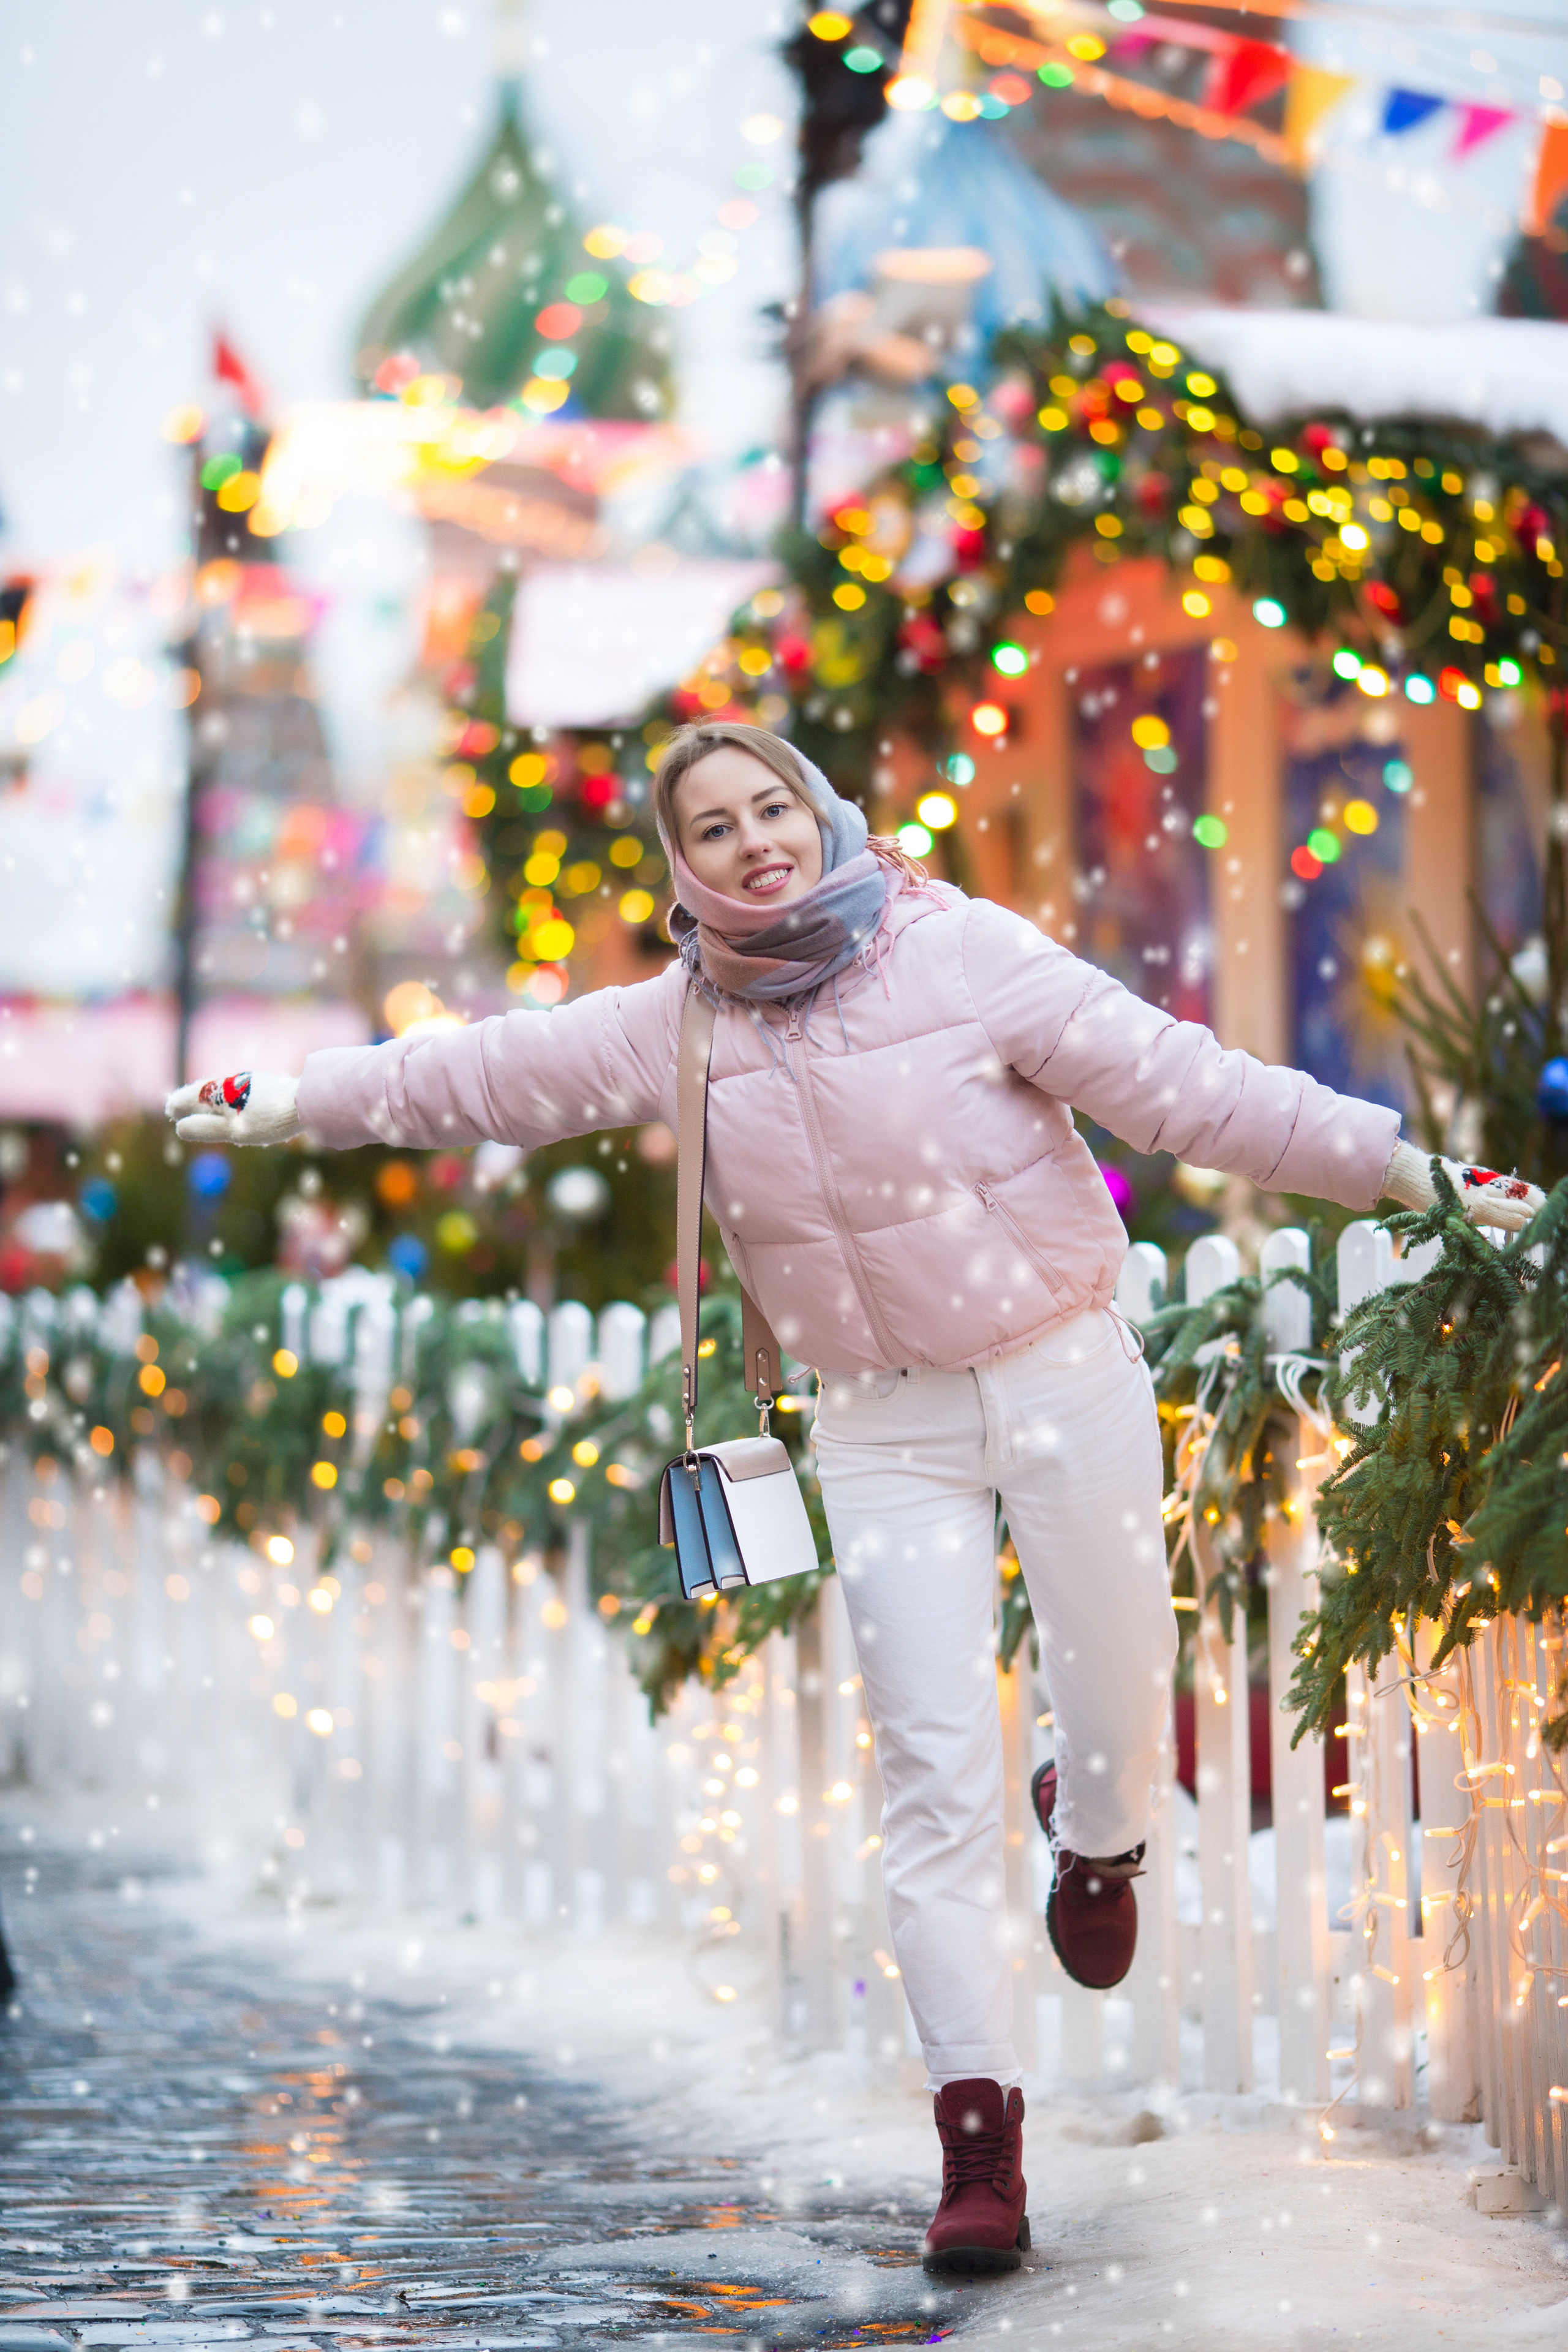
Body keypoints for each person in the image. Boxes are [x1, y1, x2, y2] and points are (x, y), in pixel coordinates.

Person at [168, 720, 1542, 2275]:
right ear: (680, 868)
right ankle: (977, 2146)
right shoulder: (677, 1022)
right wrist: (287, 1102)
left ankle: (1095, 1835)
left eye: (773, 807)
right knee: (931, 1779)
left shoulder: (959, 955)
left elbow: (1186, 1090)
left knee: (1111, 1715)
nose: (755, 842)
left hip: (1061, 1374)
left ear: (820, 815)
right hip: (881, 1429)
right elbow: (481, 1073)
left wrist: (1405, 1174)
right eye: (714, 828)